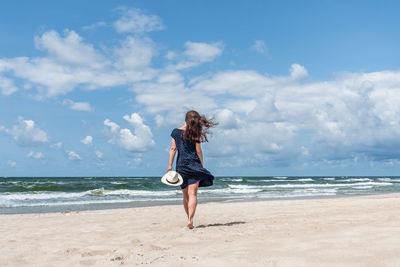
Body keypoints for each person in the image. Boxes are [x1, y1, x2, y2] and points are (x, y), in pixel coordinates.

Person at [167, 110, 217, 229]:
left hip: (181, 166)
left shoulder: (175, 132)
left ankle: (189, 219)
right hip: (194, 164)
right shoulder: (195, 133)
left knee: (186, 196)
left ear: (185, 119)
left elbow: (173, 149)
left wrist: (169, 166)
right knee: (193, 194)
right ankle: (190, 219)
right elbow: (199, 151)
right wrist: (201, 166)